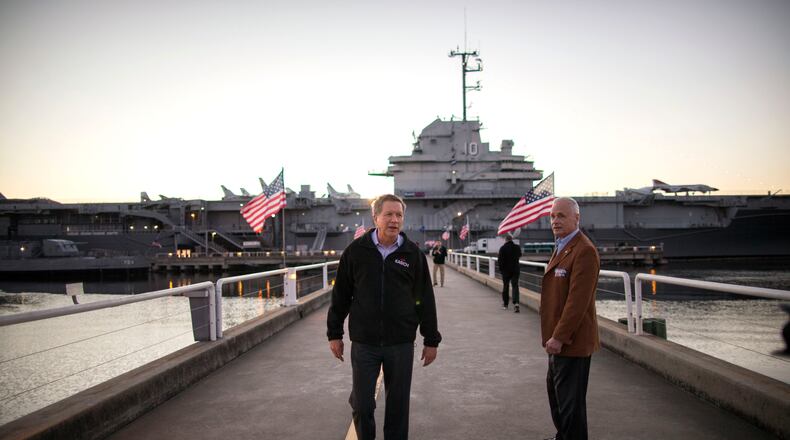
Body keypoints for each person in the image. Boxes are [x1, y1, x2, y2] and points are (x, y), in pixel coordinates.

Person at [327, 194, 442, 440]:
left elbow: (424, 299)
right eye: (388, 214)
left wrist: (431, 339)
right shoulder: (356, 252)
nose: (394, 220)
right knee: (362, 406)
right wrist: (334, 334)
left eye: (399, 215)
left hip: (400, 343)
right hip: (364, 343)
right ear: (375, 217)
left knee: (398, 408)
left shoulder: (412, 254)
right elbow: (341, 296)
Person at [540, 197, 600, 440]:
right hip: (557, 340)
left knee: (571, 405)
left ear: (577, 218)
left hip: (571, 342)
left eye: (562, 216)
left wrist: (559, 337)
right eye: (553, 216)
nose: (555, 221)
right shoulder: (562, 245)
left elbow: (578, 302)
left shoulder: (584, 250)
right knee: (557, 396)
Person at [497, 233, 522, 312]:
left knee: (506, 286)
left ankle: (505, 304)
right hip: (515, 270)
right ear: (511, 239)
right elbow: (520, 255)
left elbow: (500, 261)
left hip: (505, 271)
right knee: (515, 286)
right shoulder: (517, 247)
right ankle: (516, 304)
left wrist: (501, 270)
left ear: (506, 240)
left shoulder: (502, 248)